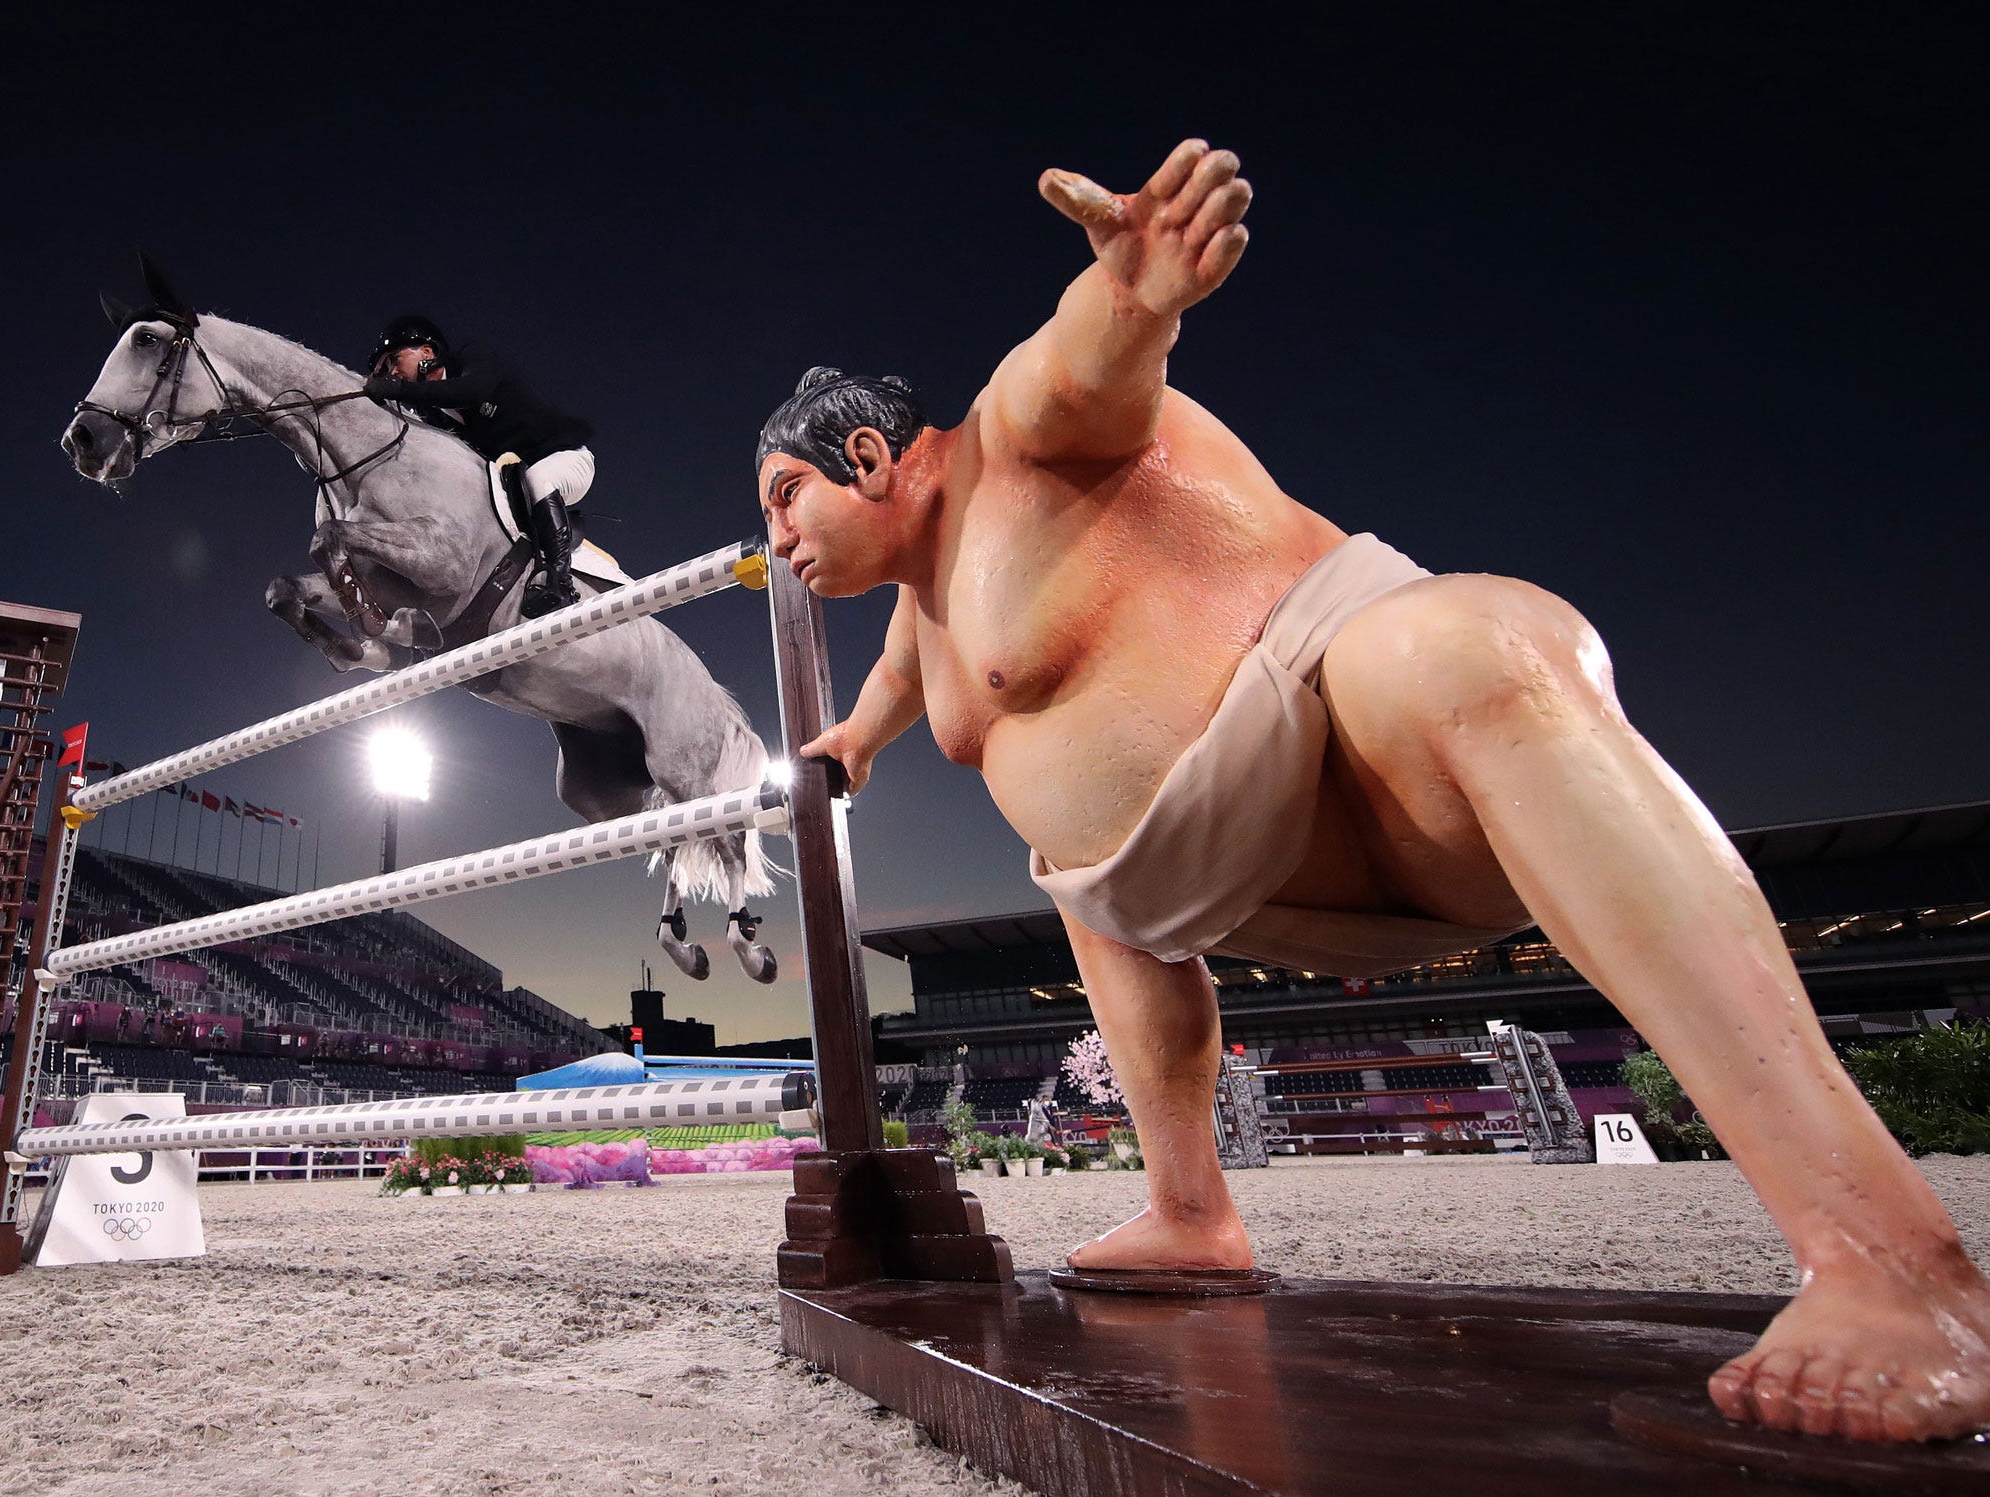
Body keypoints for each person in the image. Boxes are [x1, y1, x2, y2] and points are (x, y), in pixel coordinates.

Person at [757, 139, 1990, 1443]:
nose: (779, 542)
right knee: (1078, 881)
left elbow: (1091, 355)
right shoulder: (919, 617)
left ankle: (1890, 1263)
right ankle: (1192, 1210)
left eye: (787, 498)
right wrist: (847, 749)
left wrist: (1139, 286)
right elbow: (894, 696)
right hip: (1214, 885)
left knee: (1478, 640)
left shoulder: (1018, 428)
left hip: (1365, 746)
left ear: (874, 452)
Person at [364, 315, 596, 617]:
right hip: (515, 480)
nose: (393, 372)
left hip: (567, 459)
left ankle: (560, 582)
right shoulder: (433, 413)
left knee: (539, 476)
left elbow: (470, 392)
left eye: (394, 360)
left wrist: (398, 390)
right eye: (387, 370)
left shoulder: (472, 358)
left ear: (426, 352)